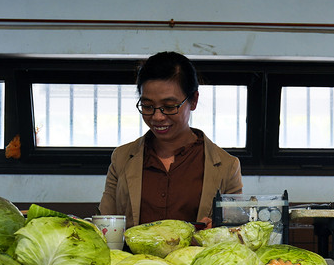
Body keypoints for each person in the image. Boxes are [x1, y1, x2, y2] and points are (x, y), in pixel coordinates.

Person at [99, 51, 242, 229]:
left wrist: (219, 228)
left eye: (169, 106)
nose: (157, 117)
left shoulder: (227, 167)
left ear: (194, 101)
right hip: (133, 258)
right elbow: (104, 224)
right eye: (148, 106)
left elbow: (235, 231)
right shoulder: (122, 158)